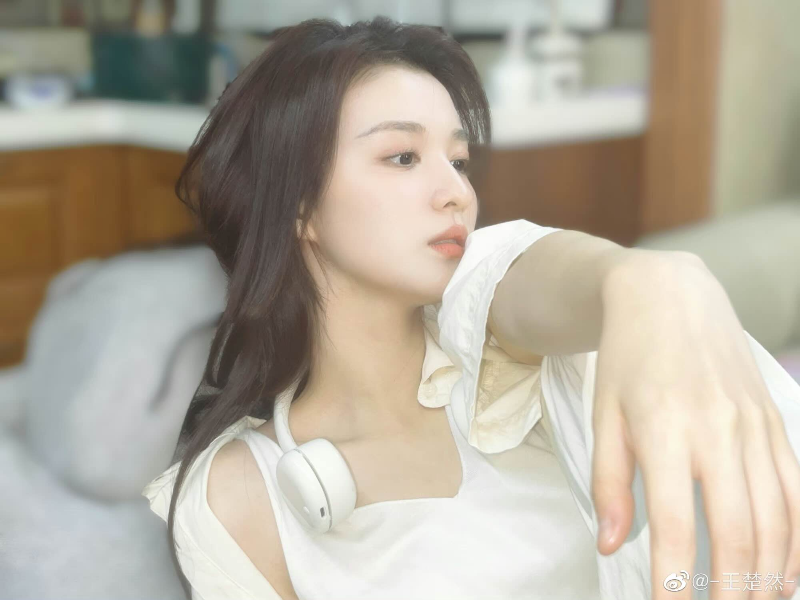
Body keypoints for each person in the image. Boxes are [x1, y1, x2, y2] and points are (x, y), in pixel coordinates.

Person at [142, 16, 800, 600]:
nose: (455, 191)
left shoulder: (500, 343)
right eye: (403, 156)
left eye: (458, 160)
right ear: (299, 207)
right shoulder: (235, 494)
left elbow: (535, 272)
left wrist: (653, 282)